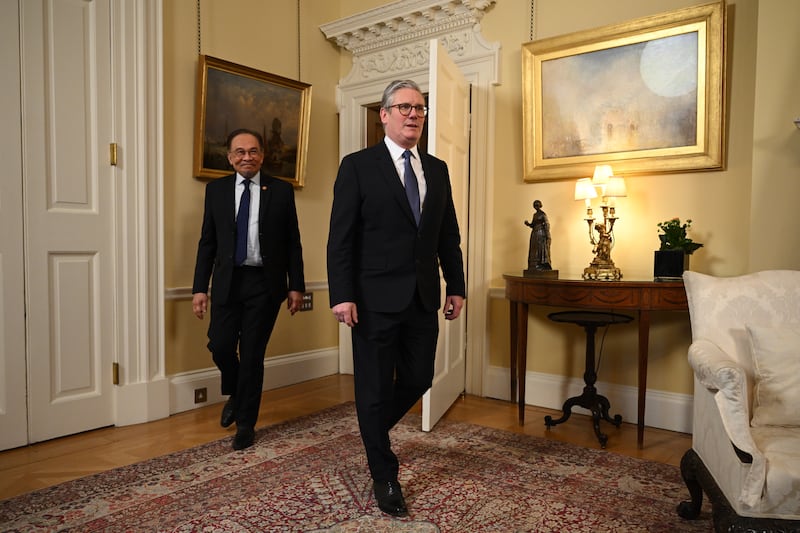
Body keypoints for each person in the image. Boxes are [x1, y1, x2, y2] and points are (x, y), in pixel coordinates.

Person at [327, 79, 466, 517]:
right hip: (370, 299)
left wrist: (457, 285)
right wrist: (342, 294)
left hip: (423, 296)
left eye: (420, 108)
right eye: (404, 107)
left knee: (419, 377)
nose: (414, 115)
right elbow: (340, 239)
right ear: (383, 115)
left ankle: (372, 429)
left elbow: (448, 234)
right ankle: (384, 473)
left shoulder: (438, 168)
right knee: (371, 386)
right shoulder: (357, 166)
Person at [192, 128, 305, 451]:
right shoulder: (216, 191)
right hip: (228, 281)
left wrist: (296, 285)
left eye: (253, 151)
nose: (247, 157)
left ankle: (245, 423)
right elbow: (207, 243)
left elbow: (292, 243)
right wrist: (200, 288)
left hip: (265, 285)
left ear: (262, 155)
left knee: (253, 355)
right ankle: (237, 392)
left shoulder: (280, 191)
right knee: (221, 346)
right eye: (239, 152)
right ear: (229, 157)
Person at [524, 199, 552, 270]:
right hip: (534, 233)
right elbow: (533, 224)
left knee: (540, 248)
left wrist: (547, 234)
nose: (536, 206)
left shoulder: (543, 214)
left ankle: (541, 264)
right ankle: (534, 264)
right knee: (534, 248)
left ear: (540, 205)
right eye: (535, 205)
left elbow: (547, 224)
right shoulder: (535, 215)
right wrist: (528, 224)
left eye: (537, 205)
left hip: (540, 233)